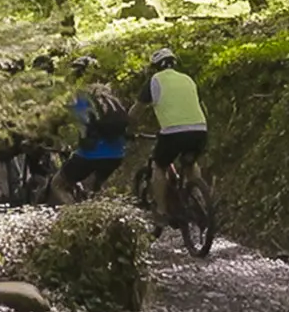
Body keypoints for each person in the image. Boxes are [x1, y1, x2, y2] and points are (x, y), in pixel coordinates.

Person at [140, 47, 208, 231]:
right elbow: (201, 106)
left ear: (155, 67)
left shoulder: (155, 80)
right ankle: (199, 198)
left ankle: (161, 211)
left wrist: (127, 126)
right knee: (190, 162)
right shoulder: (188, 79)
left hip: (173, 132)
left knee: (159, 166)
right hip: (200, 129)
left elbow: (137, 109)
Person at [52, 59, 129, 203]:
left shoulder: (79, 97)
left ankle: (76, 218)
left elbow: (64, 120)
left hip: (91, 155)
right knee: (98, 190)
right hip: (117, 154)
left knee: (58, 184)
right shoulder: (109, 95)